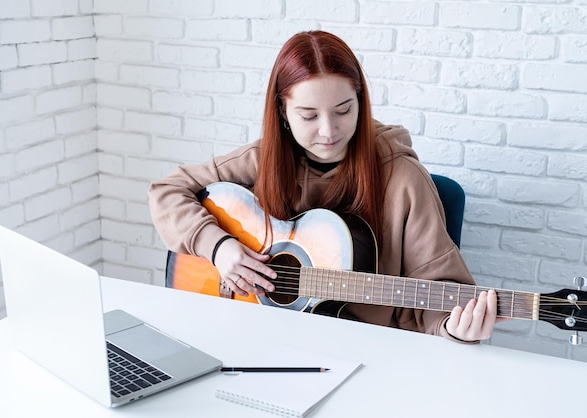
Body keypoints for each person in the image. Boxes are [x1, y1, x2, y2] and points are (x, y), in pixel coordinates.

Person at [148, 30, 497, 343]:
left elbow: (440, 292)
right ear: (282, 112)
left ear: (360, 101)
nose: (329, 131)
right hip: (259, 336)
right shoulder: (263, 159)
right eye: (309, 116)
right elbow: (167, 192)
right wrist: (219, 247)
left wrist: (455, 327)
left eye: (343, 111)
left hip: (369, 353)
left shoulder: (403, 180)